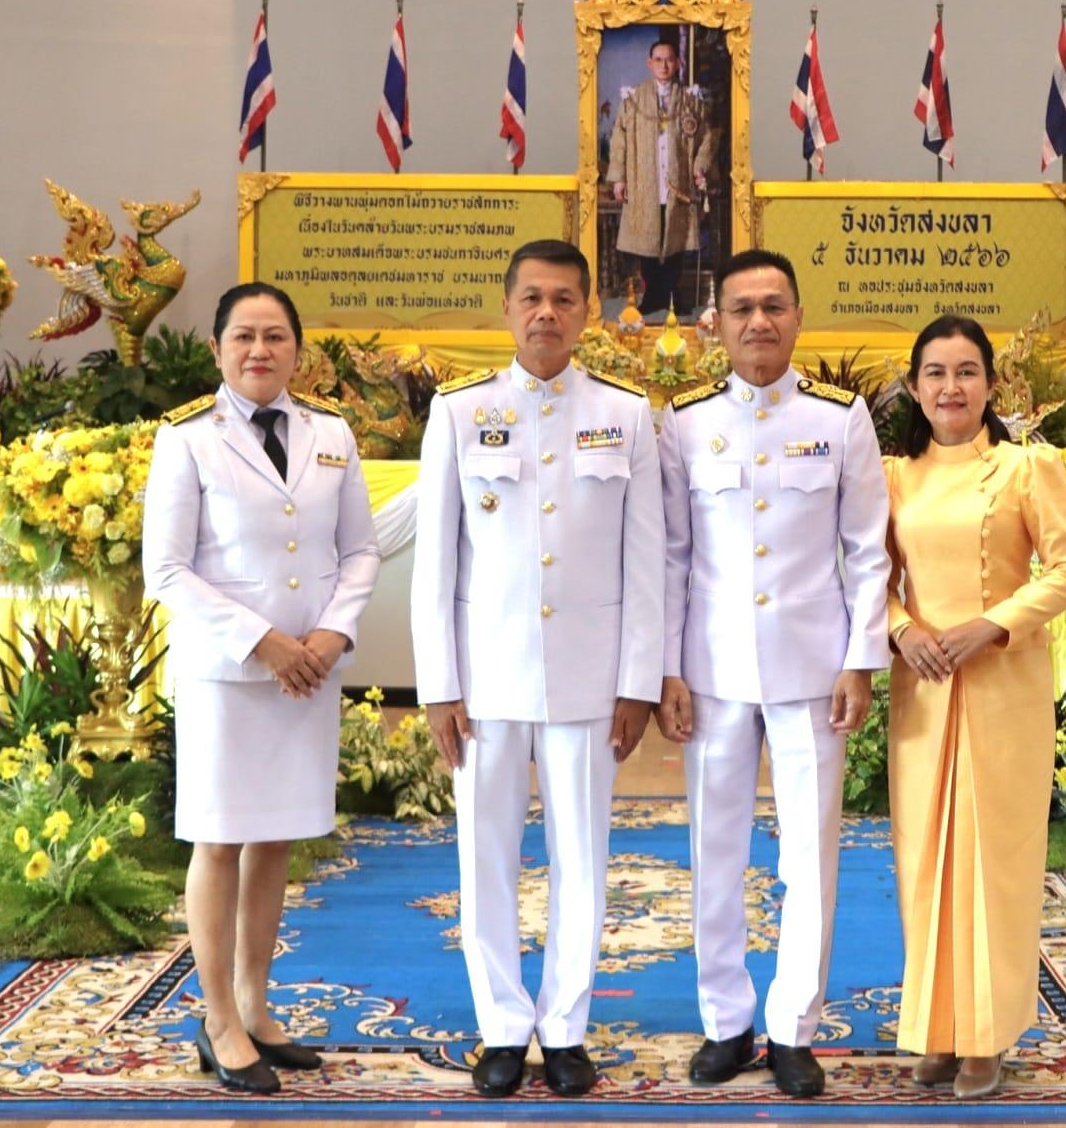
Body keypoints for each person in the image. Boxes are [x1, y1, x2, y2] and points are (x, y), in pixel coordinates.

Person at [411, 238, 665, 1099]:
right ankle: (499, 1028)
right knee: (484, 854)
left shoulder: (625, 413)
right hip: (485, 679)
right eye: (532, 298)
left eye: (564, 298)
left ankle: (563, 1029)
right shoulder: (460, 411)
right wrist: (439, 685)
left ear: (588, 311)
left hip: (589, 678)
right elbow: (436, 564)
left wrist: (637, 682)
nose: (547, 313)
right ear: (508, 308)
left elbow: (646, 559)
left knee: (581, 857)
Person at [656, 250, 890, 1099]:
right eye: (742, 308)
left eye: (774, 306)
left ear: (797, 317)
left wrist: (861, 658)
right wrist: (668, 668)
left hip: (811, 667)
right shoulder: (684, 422)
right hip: (713, 670)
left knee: (810, 855)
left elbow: (867, 551)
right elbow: (671, 555)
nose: (759, 321)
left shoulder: (840, 417)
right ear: (715, 323)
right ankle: (725, 1020)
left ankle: (794, 1027)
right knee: (714, 850)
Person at [143, 282, 381, 1094]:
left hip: (308, 672)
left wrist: (331, 633)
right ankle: (217, 1020)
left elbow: (360, 550)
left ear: (297, 350)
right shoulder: (186, 439)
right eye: (243, 336)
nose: (259, 350)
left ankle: (254, 1003)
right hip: (229, 673)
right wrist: (263, 641)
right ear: (217, 349)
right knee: (219, 839)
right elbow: (166, 568)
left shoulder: (331, 432)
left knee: (275, 837)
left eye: (275, 336)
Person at [882, 314, 1066, 1101]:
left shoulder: (1027, 466)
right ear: (913, 387)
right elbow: (866, 576)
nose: (951, 387)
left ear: (992, 384)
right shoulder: (894, 476)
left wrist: (993, 624)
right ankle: (938, 1030)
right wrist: (902, 630)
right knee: (923, 856)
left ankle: (988, 1036)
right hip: (925, 687)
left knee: (995, 859)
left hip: (1004, 686)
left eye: (967, 372)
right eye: (935, 373)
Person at [608, 38, 712, 316]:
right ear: (649, 63)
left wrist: (699, 167)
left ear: (677, 63)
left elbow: (705, 137)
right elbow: (619, 139)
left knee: (676, 237)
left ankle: (673, 294)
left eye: (669, 60)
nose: (664, 65)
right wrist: (619, 178)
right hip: (644, 182)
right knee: (649, 238)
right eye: (658, 60)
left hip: (678, 183)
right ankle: (654, 294)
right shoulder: (633, 99)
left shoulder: (690, 99)